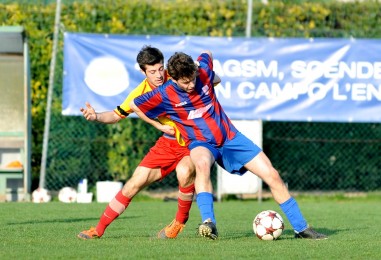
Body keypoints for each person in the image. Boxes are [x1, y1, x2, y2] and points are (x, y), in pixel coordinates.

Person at [130, 50, 328, 240]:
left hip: (230, 137)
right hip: (200, 143)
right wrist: (159, 126)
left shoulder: (203, 72)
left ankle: (301, 228)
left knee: (271, 174)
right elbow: (135, 105)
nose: (191, 85)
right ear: (173, 79)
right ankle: (209, 222)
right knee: (201, 166)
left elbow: (208, 53)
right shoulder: (165, 93)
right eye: (185, 82)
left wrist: (211, 76)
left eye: (192, 78)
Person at [77, 46, 196, 240]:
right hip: (168, 143)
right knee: (133, 183)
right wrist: (96, 115)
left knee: (184, 173)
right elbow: (116, 115)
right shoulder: (139, 93)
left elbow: (204, 81)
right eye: (152, 71)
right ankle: (98, 229)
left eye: (160, 69)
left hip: (193, 140)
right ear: (143, 71)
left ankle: (179, 223)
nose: (158, 75)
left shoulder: (176, 77)